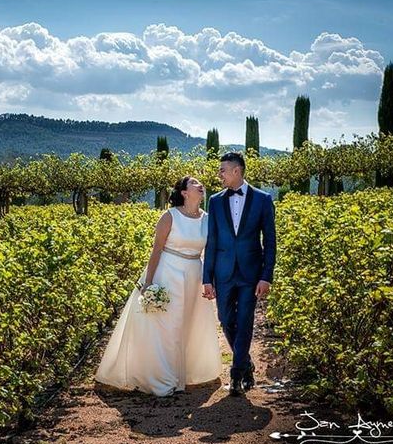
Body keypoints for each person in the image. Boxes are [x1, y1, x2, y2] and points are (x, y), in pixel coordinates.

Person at [95, 176, 222, 397]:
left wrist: (210, 279)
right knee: (166, 326)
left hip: (193, 274)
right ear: (184, 192)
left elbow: (211, 253)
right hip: (168, 272)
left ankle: (183, 374)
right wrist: (149, 283)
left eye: (200, 184)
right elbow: (156, 250)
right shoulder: (169, 216)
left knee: (187, 325)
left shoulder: (207, 219)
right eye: (194, 183)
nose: (200, 185)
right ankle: (163, 378)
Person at [202, 152, 276, 396]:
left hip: (250, 273)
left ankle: (235, 374)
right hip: (222, 273)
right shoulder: (214, 201)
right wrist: (207, 278)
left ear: (236, 171)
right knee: (225, 319)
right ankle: (245, 363)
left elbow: (271, 242)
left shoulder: (263, 200)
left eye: (222, 170)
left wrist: (266, 275)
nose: (219, 174)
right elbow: (211, 242)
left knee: (245, 321)